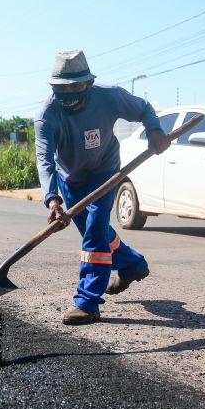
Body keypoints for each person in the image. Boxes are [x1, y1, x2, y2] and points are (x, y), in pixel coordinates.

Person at [34, 50, 170, 325]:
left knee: (95, 231)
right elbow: (44, 159)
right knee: (95, 232)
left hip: (104, 171)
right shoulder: (46, 115)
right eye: (62, 88)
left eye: (76, 86)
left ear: (89, 84)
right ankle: (132, 264)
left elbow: (143, 108)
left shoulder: (109, 96)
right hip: (69, 178)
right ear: (53, 87)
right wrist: (52, 199)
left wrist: (154, 130)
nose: (69, 93)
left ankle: (87, 302)